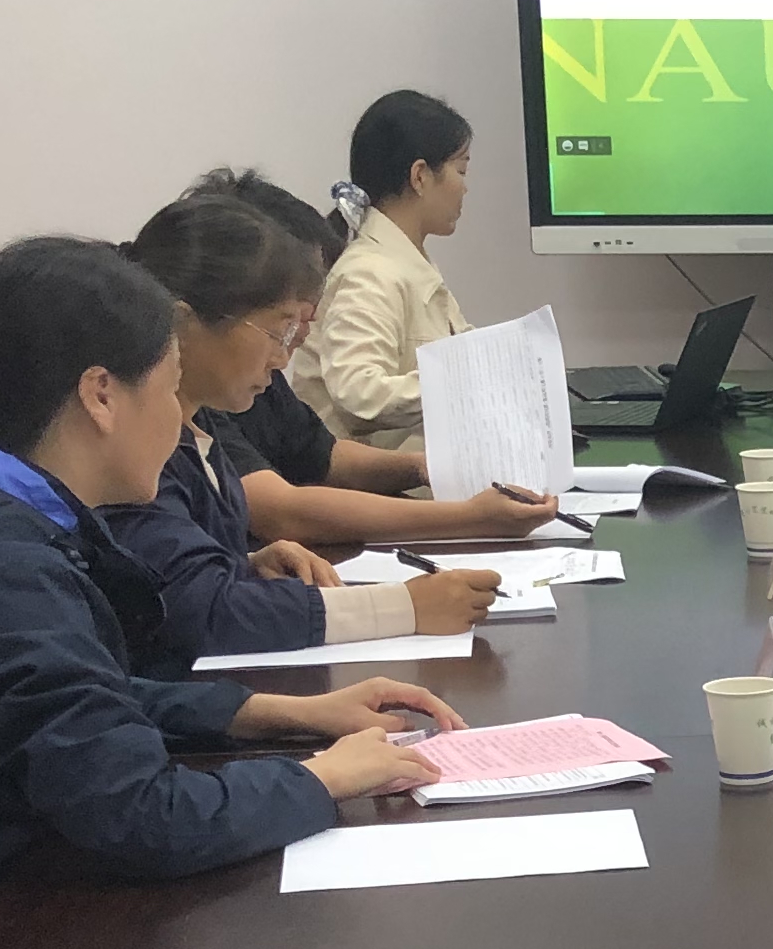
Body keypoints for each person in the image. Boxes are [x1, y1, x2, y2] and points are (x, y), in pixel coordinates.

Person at [0, 237, 450, 949]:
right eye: (172, 389)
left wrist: (269, 712)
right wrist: (321, 779)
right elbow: (141, 814)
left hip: (1, 919)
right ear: (101, 395)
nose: (180, 421)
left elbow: (78, 695)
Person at [105, 186, 506, 672]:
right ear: (185, 325)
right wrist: (404, 606)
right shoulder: (136, 449)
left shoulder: (196, 425)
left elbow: (175, 580)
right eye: (279, 330)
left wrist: (244, 568)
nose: (284, 356)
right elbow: (203, 613)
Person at [191, 170, 559, 549]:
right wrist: (473, 518)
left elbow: (323, 456)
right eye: (288, 318)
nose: (306, 327)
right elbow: (281, 511)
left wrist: (426, 467)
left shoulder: (251, 381)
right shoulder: (193, 403)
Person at [288, 89, 473, 448]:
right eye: (461, 170)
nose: (465, 187)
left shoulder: (404, 262)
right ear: (420, 176)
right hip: (373, 480)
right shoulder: (370, 272)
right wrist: (462, 383)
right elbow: (359, 392)